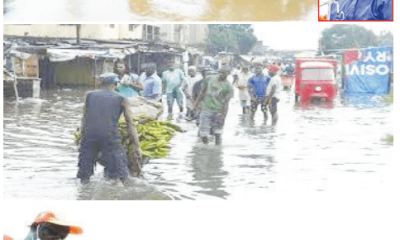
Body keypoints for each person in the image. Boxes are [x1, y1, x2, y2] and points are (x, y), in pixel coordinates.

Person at [77, 73, 142, 183]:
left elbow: (84, 119)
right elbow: (130, 123)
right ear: (116, 83)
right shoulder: (121, 98)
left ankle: (83, 194)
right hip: (110, 136)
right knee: (121, 175)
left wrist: (82, 140)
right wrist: (137, 146)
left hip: (89, 135)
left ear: (100, 83)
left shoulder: (89, 95)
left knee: (84, 174)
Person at [193, 66, 233, 145]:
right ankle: (206, 148)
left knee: (218, 133)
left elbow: (226, 102)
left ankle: (217, 151)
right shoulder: (209, 79)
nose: (222, 75)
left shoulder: (229, 87)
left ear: (228, 74)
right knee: (203, 133)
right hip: (206, 108)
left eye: (224, 73)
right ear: (218, 72)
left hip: (219, 111)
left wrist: (224, 115)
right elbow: (202, 92)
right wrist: (196, 104)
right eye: (220, 72)